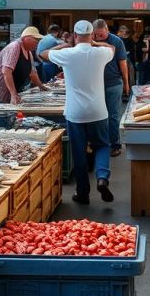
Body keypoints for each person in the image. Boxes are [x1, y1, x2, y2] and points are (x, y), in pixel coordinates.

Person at [41, 20, 116, 204]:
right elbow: (111, 47)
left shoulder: (67, 54)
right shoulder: (100, 53)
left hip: (75, 113)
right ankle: (102, 177)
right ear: (92, 35)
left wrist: (67, 44)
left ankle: (83, 193)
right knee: (102, 145)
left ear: (75, 35)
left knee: (79, 152)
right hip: (98, 111)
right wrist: (94, 43)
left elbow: (42, 54)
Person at [92, 19, 130, 157]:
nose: (98, 37)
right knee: (98, 116)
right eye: (96, 35)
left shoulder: (116, 41)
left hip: (113, 83)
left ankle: (115, 145)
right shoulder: (90, 41)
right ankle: (101, 144)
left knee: (113, 116)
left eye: (101, 35)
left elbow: (123, 63)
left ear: (107, 30)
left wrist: (126, 83)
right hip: (95, 84)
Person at [0, 27, 46, 104]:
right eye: (36, 40)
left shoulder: (29, 52)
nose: (37, 43)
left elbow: (32, 73)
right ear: (26, 38)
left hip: (6, 94)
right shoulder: (14, 46)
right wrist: (14, 94)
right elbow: (6, 72)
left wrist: (41, 87)